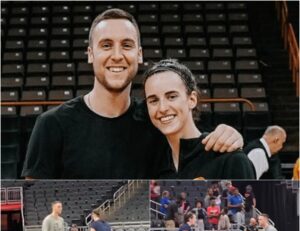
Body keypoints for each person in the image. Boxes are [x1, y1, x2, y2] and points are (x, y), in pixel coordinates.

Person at [21, 9, 244, 179]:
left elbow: (192, 145)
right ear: (90, 54)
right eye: (106, 45)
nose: (117, 55)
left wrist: (231, 136)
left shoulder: (154, 119)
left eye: (126, 45)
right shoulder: (52, 125)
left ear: (138, 55)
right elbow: (35, 208)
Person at [144, 59, 255, 179]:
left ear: (192, 100)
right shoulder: (151, 165)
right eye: (153, 100)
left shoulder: (230, 159)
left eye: (171, 97)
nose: (162, 108)